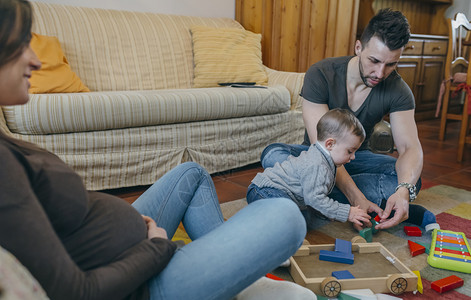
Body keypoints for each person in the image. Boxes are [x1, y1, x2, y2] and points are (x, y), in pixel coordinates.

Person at [0, 1, 316, 299]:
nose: (35, 59)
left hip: (120, 248)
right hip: (139, 286)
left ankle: (236, 278)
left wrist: (131, 226)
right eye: (20, 45)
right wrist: (155, 248)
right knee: (286, 216)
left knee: (190, 173)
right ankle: (232, 279)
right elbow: (78, 293)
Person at [260, 8, 436, 231]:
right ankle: (328, 198)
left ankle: (309, 197)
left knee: (410, 181)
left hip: (356, 160)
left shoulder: (399, 91)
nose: (380, 73)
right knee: (273, 154)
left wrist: (403, 191)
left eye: (391, 64)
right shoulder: (321, 74)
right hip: (314, 159)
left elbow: (410, 148)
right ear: (358, 48)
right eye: (374, 60)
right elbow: (323, 147)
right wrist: (357, 198)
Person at [247, 109, 372, 229]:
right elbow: (315, 199)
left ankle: (267, 215)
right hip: (265, 191)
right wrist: (347, 212)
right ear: (330, 144)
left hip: (279, 194)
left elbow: (315, 195)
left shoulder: (323, 158)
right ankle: (260, 223)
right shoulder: (317, 165)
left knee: (305, 219)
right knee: (290, 219)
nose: (353, 157)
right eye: (350, 151)